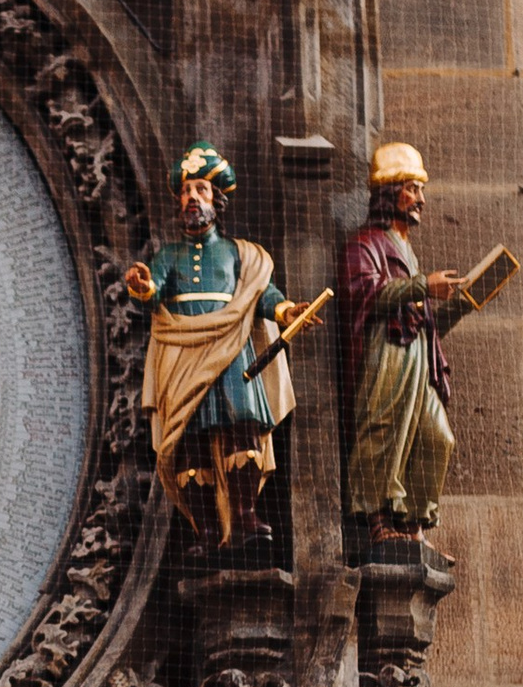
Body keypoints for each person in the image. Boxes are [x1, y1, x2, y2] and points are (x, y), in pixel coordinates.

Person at [124, 141, 303, 549]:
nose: (192, 199)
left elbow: (263, 294)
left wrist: (287, 312)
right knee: (190, 438)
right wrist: (142, 285)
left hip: (232, 347)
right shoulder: (169, 255)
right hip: (185, 350)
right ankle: (204, 527)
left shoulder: (239, 254)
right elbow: (154, 292)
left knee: (244, 426)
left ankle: (244, 515)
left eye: (200, 191)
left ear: (216, 200)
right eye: (186, 192)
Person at [342, 138, 471, 538]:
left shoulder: (406, 249)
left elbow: (423, 316)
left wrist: (463, 302)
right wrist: (421, 286)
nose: (421, 199)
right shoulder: (365, 244)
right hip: (387, 355)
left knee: (436, 437)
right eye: (412, 188)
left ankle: (413, 523)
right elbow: (364, 293)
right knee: (384, 430)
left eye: (421, 190)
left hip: (416, 354)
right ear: (389, 192)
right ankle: (379, 520)